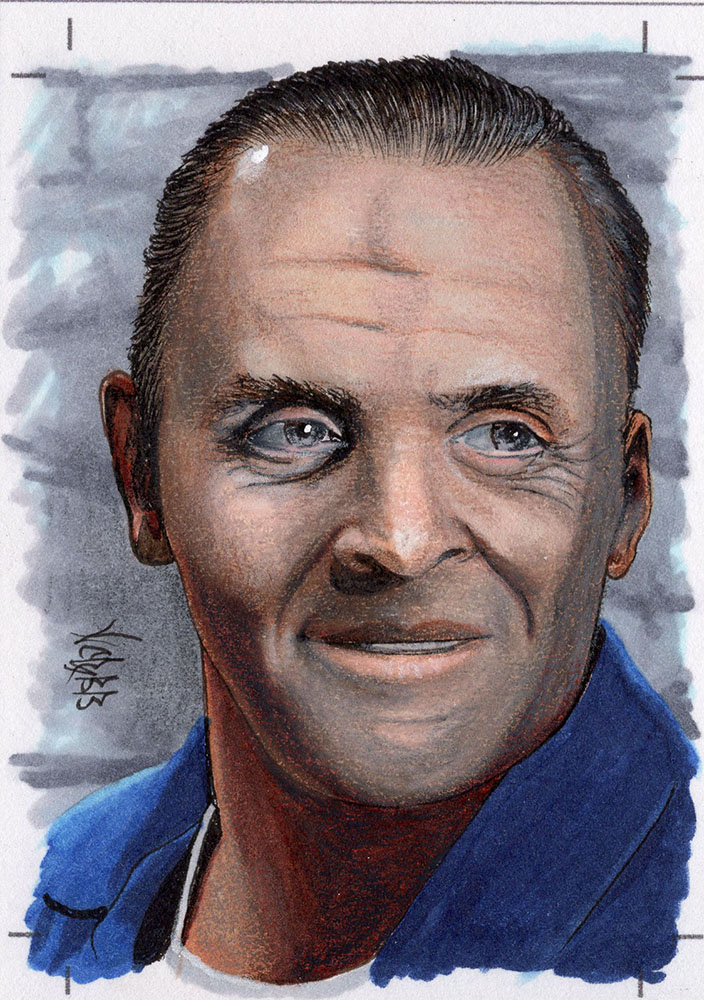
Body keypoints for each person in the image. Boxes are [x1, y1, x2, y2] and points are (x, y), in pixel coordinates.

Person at [26, 55, 697, 989]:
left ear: (625, 501)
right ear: (141, 475)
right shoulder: (59, 885)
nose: (401, 539)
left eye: (506, 435)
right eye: (294, 430)